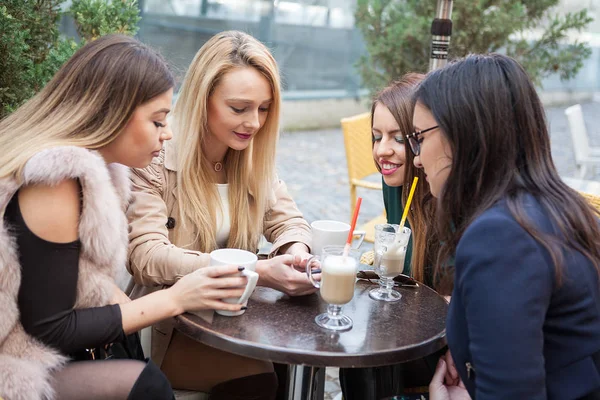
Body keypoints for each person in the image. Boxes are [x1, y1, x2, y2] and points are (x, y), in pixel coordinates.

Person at [0, 35, 253, 400]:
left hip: (39, 347)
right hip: (18, 366)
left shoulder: (91, 175)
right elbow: (50, 330)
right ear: (111, 112)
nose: (168, 134)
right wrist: (176, 299)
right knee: (144, 383)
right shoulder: (55, 181)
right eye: (158, 120)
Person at [126, 30, 315, 398]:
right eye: (239, 108)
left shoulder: (251, 156)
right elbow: (146, 258)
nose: (255, 123)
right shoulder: (156, 157)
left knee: (288, 355)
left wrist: (297, 253)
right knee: (261, 378)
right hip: (169, 326)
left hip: (232, 320)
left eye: (264, 109)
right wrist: (255, 271)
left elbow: (290, 221)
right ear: (202, 99)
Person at [408, 54, 600, 399]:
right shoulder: (562, 211)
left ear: (463, 133)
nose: (417, 156)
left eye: (420, 137)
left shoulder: (500, 236)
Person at [339, 75, 443, 399]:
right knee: (355, 348)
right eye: (376, 136)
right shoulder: (395, 183)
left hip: (441, 339)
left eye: (398, 138)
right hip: (402, 319)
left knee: (366, 355)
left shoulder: (443, 195)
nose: (382, 150)